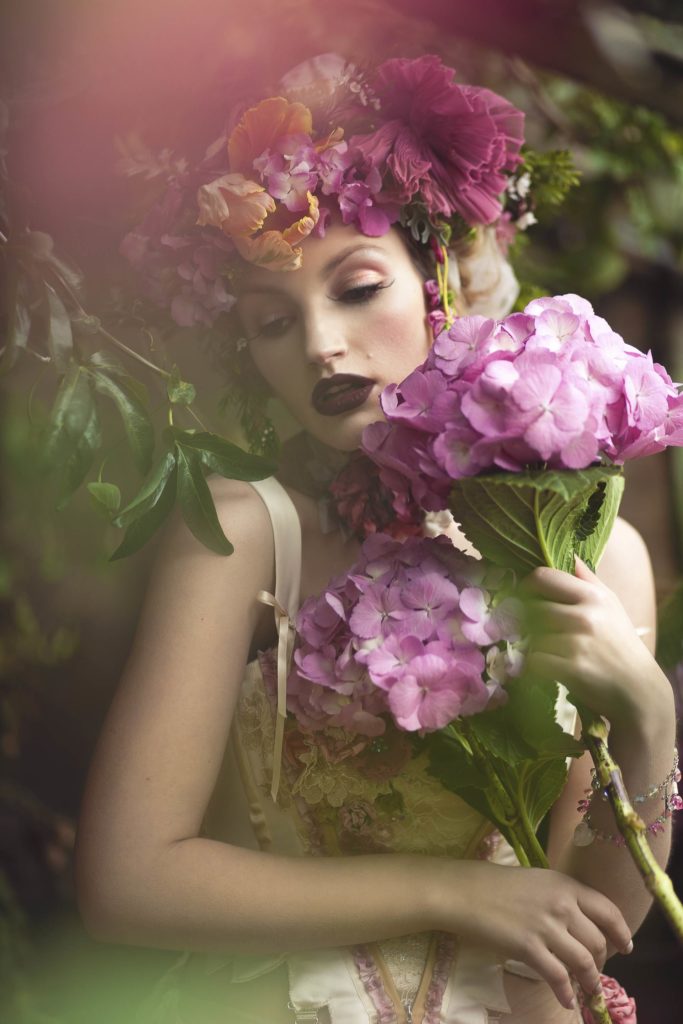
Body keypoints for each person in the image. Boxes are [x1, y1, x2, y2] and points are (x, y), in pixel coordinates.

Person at [74, 53, 676, 1024]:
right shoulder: (241, 529)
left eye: (355, 289)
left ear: (441, 273)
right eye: (273, 322)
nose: (316, 344)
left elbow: (596, 912)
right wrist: (453, 892)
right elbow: (127, 879)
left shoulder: (592, 549)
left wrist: (647, 718)